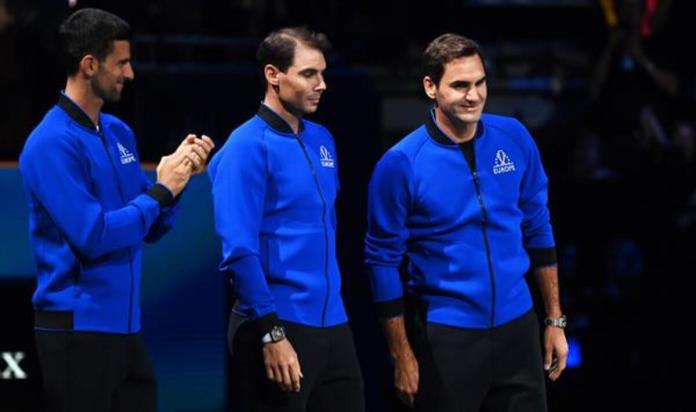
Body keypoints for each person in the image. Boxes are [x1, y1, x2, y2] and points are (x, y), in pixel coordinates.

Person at [18, 8, 214, 412]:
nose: (131, 73)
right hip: (76, 330)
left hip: (125, 328)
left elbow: (150, 225)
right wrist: (161, 191)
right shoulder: (50, 143)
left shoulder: (119, 132)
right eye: (122, 63)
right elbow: (93, 236)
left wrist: (176, 180)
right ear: (90, 65)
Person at [365, 33, 568, 412]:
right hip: (449, 338)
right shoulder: (401, 163)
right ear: (431, 87)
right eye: (460, 85)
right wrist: (401, 356)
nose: (473, 95)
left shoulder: (515, 137)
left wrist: (554, 320)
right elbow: (381, 262)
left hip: (518, 329)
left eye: (480, 82)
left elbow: (538, 228)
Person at [208, 27, 364, 412]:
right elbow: (239, 252)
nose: (322, 84)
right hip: (276, 322)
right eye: (309, 74)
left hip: (332, 322)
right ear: (273, 75)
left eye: (323, 74)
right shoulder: (246, 147)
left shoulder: (323, 138)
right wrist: (271, 333)